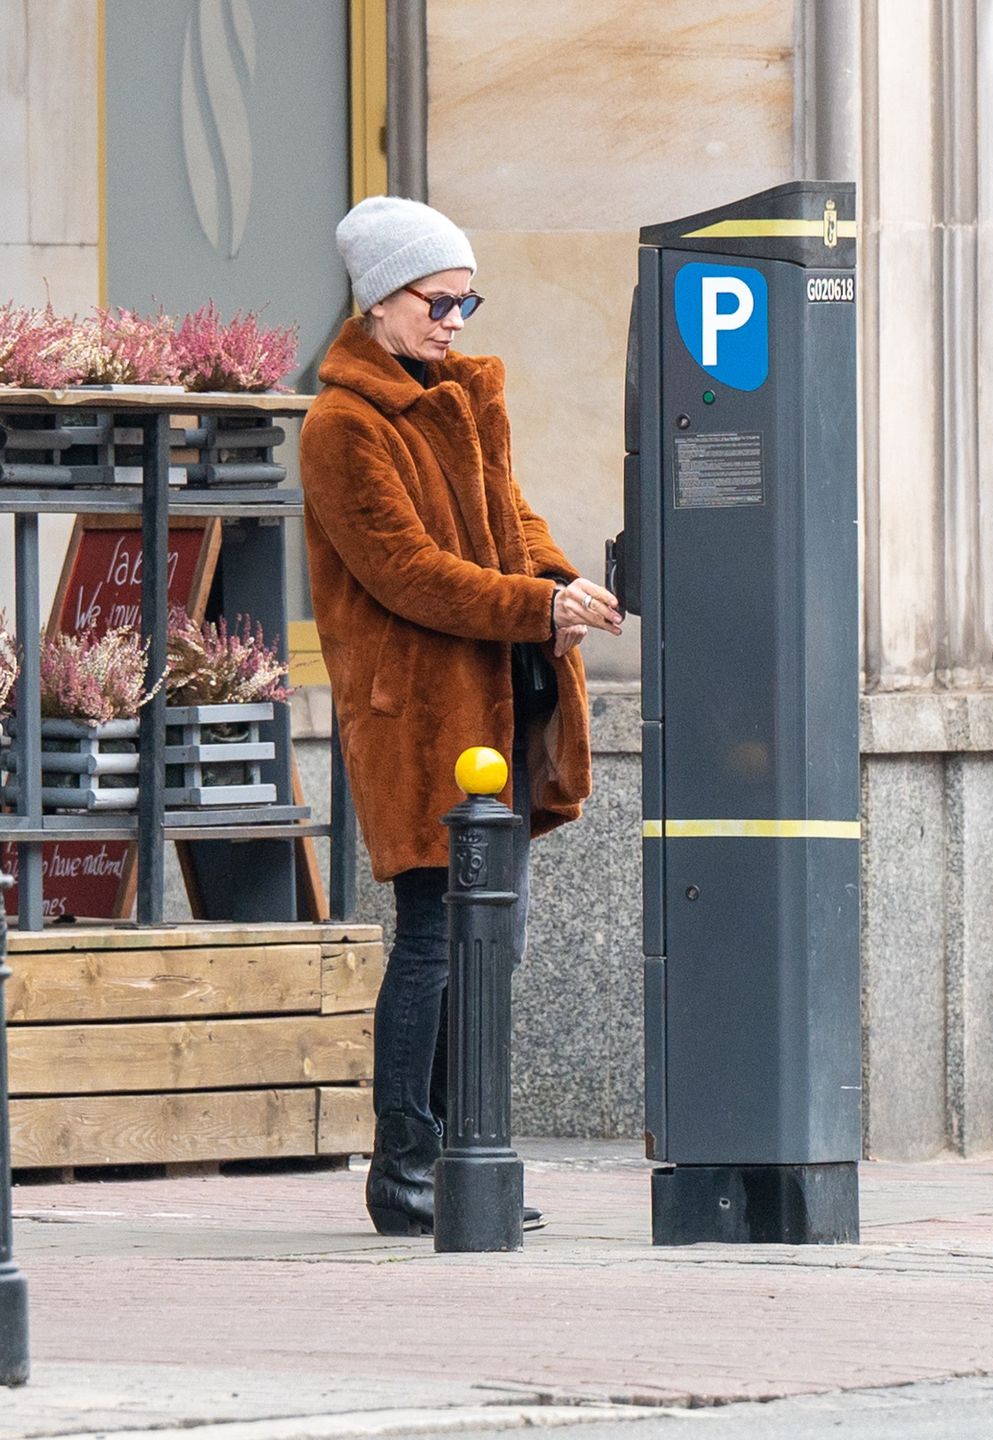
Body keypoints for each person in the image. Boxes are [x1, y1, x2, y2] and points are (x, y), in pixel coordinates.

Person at [300, 196, 623, 1235]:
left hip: (501, 706)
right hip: (421, 717)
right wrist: (535, 606)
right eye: (438, 301)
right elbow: (405, 573)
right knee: (436, 942)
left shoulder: (462, 400)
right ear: (380, 301)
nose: (453, 321)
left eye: (465, 300)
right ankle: (406, 1170)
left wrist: (561, 583)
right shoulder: (342, 425)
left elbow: (510, 518)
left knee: (496, 944)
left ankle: (466, 1159)